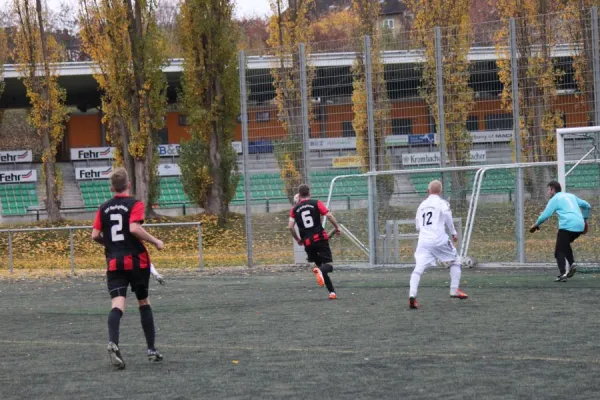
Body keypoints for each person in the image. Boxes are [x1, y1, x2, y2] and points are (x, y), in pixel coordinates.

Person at [91, 168, 165, 369]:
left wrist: (111, 245)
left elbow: (95, 235)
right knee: (143, 301)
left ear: (112, 187)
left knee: (117, 305)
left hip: (114, 262)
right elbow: (133, 228)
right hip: (136, 261)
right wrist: (156, 241)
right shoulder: (135, 204)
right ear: (129, 185)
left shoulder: (103, 208)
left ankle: (113, 342)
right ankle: (151, 349)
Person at [409, 180, 468, 310]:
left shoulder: (422, 205)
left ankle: (412, 295)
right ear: (440, 191)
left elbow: (418, 226)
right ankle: (454, 290)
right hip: (438, 239)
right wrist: (453, 232)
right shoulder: (442, 203)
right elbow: (447, 214)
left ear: (428, 191)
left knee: (418, 269)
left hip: (423, 241)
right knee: (456, 260)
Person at [529, 180, 590, 282]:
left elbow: (545, 215)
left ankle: (570, 266)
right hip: (579, 225)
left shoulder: (555, 199)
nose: (548, 192)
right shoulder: (571, 196)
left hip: (567, 226)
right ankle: (566, 270)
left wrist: (536, 225)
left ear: (553, 189)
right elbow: (587, 206)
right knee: (561, 248)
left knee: (561, 248)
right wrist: (585, 220)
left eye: (549, 190)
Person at [289, 184, 341, 300]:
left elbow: (291, 227)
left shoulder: (294, 209)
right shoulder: (316, 203)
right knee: (329, 266)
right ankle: (321, 273)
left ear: (299, 194)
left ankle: (332, 292)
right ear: (309, 193)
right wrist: (337, 227)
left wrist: (297, 239)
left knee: (321, 267)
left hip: (308, 243)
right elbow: (328, 215)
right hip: (320, 238)